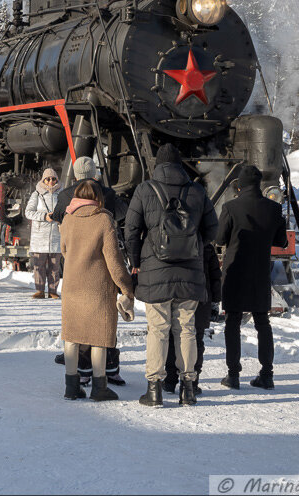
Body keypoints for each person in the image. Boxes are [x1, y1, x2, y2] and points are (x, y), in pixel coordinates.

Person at [125, 143, 218, 407]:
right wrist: (194, 244)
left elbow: (131, 230)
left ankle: (154, 390)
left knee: (158, 330)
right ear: (180, 166)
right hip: (190, 272)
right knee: (187, 329)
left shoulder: (145, 189)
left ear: (158, 165)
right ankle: (188, 388)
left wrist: (136, 260)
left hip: (155, 271)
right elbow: (213, 230)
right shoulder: (197, 191)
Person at [50, 156, 130, 385]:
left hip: (75, 273)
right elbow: (122, 216)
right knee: (104, 326)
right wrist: (126, 287)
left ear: (75, 174)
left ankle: (78, 378)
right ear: (94, 173)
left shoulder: (66, 198)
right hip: (101, 273)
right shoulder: (106, 199)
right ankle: (107, 373)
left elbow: (59, 227)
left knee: (77, 328)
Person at [59, 180, 135, 401]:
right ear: (98, 197)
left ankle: (71, 387)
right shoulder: (104, 219)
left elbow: (64, 250)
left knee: (72, 337)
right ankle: (100, 387)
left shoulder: (67, 219)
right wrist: (126, 287)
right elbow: (114, 260)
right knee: (99, 337)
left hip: (72, 286)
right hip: (97, 288)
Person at [217, 164, 288, 390]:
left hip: (235, 271)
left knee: (233, 322)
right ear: (258, 184)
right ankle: (267, 374)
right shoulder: (273, 209)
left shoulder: (230, 207)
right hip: (259, 272)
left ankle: (233, 375)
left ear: (240, 185)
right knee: (263, 322)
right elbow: (281, 242)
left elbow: (219, 239)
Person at [162, 231, 221, 396]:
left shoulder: (173, 244)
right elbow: (215, 276)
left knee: (174, 339)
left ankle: (170, 381)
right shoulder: (207, 247)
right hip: (202, 299)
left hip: (178, 295)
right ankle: (192, 382)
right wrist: (215, 301)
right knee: (196, 340)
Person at [25, 168, 62, 299]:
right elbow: (28, 212)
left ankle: (53, 291)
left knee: (54, 267)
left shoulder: (61, 194)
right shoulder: (37, 194)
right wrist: (44, 216)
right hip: (40, 236)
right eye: (48, 178)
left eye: (53, 178)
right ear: (43, 180)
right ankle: (40, 290)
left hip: (56, 235)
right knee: (38, 265)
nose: (51, 181)